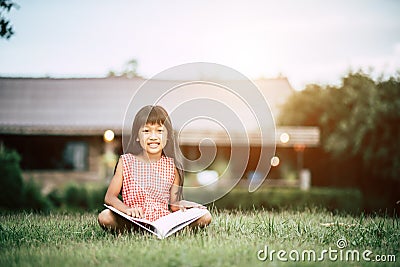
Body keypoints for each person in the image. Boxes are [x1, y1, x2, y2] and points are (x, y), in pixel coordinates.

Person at [98, 105, 212, 233]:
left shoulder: (172, 166)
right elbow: (110, 197)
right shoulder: (125, 162)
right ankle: (140, 230)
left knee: (205, 216)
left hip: (163, 220)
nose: (153, 136)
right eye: (146, 131)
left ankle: (165, 231)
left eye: (159, 131)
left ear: (168, 136)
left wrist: (185, 204)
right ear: (137, 136)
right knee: (105, 216)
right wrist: (127, 210)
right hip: (133, 220)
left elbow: (173, 204)